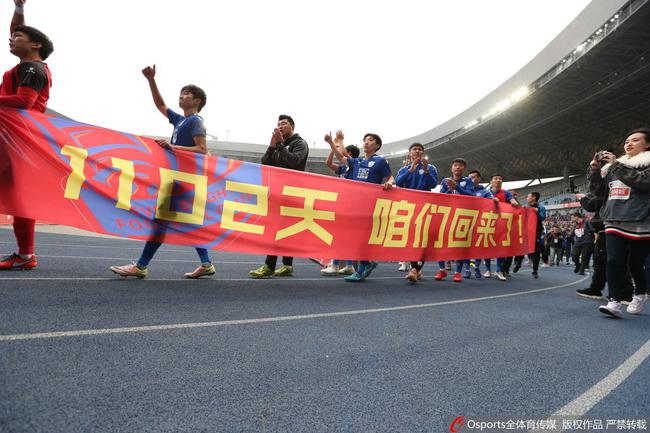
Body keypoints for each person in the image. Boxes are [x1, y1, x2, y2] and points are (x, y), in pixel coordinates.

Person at [110, 66, 215, 279]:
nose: (181, 96)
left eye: (186, 94)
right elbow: (160, 104)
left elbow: (202, 150)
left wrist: (172, 147)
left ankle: (141, 266)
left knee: (161, 222)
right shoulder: (181, 120)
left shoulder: (196, 121)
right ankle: (206, 264)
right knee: (187, 222)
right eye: (181, 93)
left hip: (185, 180)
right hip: (177, 179)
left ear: (196, 101)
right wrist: (151, 79)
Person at [0, 0, 54, 271]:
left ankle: (25, 255)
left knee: (20, 198)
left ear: (36, 45)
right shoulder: (27, 65)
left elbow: (24, 102)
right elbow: (17, 29)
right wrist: (19, 8)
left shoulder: (33, 69)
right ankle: (25, 255)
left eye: (17, 38)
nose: (11, 39)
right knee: (18, 197)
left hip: (17, 140)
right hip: (13, 138)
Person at [589, 129, 650, 317]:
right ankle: (614, 301)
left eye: (635, 140)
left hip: (641, 219)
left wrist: (616, 165)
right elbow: (598, 191)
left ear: (647, 144)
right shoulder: (614, 167)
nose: (628, 143)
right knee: (613, 260)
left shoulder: (645, 164)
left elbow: (642, 182)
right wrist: (594, 169)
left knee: (636, 264)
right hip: (614, 219)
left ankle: (639, 294)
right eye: (626, 141)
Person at [325, 131, 394, 282]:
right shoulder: (357, 162)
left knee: (361, 238)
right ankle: (367, 263)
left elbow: (390, 176)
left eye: (370, 140)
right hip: (355, 205)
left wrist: (389, 183)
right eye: (364, 140)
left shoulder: (380, 161)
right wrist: (331, 143)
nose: (366, 142)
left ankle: (362, 269)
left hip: (370, 206)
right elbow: (339, 157)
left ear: (377, 145)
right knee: (354, 238)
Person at [249, 115, 309, 278]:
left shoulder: (299, 143)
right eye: (278, 124)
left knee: (278, 228)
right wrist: (271, 146)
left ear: (292, 126)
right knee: (281, 228)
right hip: (276, 191)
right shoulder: (277, 144)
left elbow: (294, 162)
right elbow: (265, 164)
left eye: (284, 124)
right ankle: (287, 266)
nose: (280, 126)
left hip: (292, 192)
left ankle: (269, 266)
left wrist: (280, 145)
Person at [394, 143, 438, 283]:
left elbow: (433, 184)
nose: (417, 151)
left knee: (422, 238)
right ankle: (417, 269)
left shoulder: (431, 168)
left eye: (420, 149)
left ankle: (414, 269)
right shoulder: (404, 169)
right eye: (415, 149)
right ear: (410, 153)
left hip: (425, 207)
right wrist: (410, 170)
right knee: (410, 238)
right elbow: (399, 183)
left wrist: (425, 170)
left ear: (423, 152)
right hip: (408, 207)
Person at [321, 134, 358, 276]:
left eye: (344, 152)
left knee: (340, 235)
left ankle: (336, 265)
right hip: (343, 202)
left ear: (350, 155)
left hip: (351, 204)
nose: (340, 154)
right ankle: (348, 265)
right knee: (344, 235)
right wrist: (333, 148)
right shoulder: (344, 169)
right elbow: (328, 164)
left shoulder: (355, 165)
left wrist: (334, 143)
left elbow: (341, 155)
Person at [434, 158, 474, 282]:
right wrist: (450, 188)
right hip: (447, 215)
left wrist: (456, 187)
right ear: (452, 168)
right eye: (455, 165)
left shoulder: (468, 181)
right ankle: (442, 270)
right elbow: (441, 196)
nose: (457, 167)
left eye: (460, 166)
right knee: (440, 243)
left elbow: (471, 195)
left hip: (462, 216)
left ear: (464, 168)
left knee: (460, 245)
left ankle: (457, 272)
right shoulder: (445, 181)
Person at [487, 174, 519, 281]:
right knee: (486, 246)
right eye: (496, 178)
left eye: (500, 179)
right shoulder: (486, 192)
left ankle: (499, 270)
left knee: (501, 247)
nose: (498, 180)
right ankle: (488, 269)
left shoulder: (506, 193)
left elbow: (512, 200)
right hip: (488, 223)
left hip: (501, 223)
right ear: (491, 181)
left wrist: (513, 201)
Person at [513, 192, 546, 278]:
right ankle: (518, 263)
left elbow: (542, 217)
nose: (527, 198)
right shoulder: (526, 207)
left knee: (536, 251)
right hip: (525, 231)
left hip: (536, 232)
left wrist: (536, 212)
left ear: (534, 198)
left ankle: (535, 270)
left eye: (528, 196)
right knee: (522, 248)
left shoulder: (540, 207)